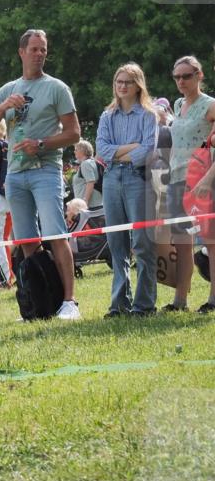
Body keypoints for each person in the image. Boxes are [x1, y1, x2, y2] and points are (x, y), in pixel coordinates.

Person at [0, 28, 82, 320]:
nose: (39, 54)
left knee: (56, 235)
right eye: (34, 49)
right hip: (15, 174)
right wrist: (2, 107)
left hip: (46, 170)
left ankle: (70, 301)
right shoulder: (6, 90)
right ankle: (41, 300)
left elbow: (75, 134)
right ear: (21, 52)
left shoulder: (57, 88)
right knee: (26, 241)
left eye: (43, 50)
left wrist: (42, 144)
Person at [96, 62, 158, 318]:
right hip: (111, 180)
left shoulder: (148, 115)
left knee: (142, 244)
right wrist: (130, 147)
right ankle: (119, 303)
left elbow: (147, 152)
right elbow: (102, 150)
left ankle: (144, 305)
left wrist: (118, 152)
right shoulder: (107, 116)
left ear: (138, 85)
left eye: (127, 82)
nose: (122, 86)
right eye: (118, 82)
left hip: (138, 179)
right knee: (117, 244)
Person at [165, 55, 215, 312]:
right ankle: (180, 301)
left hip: (201, 180)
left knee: (210, 241)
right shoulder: (177, 104)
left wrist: (209, 178)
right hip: (176, 180)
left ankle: (213, 300)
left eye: (187, 76)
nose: (181, 81)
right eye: (177, 77)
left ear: (199, 75)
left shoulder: (210, 105)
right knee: (181, 242)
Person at [71, 140, 103, 208]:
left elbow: (90, 182)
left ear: (83, 150)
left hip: (91, 206)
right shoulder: (92, 162)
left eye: (76, 150)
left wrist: (85, 202)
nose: (74, 152)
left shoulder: (85, 164)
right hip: (96, 203)